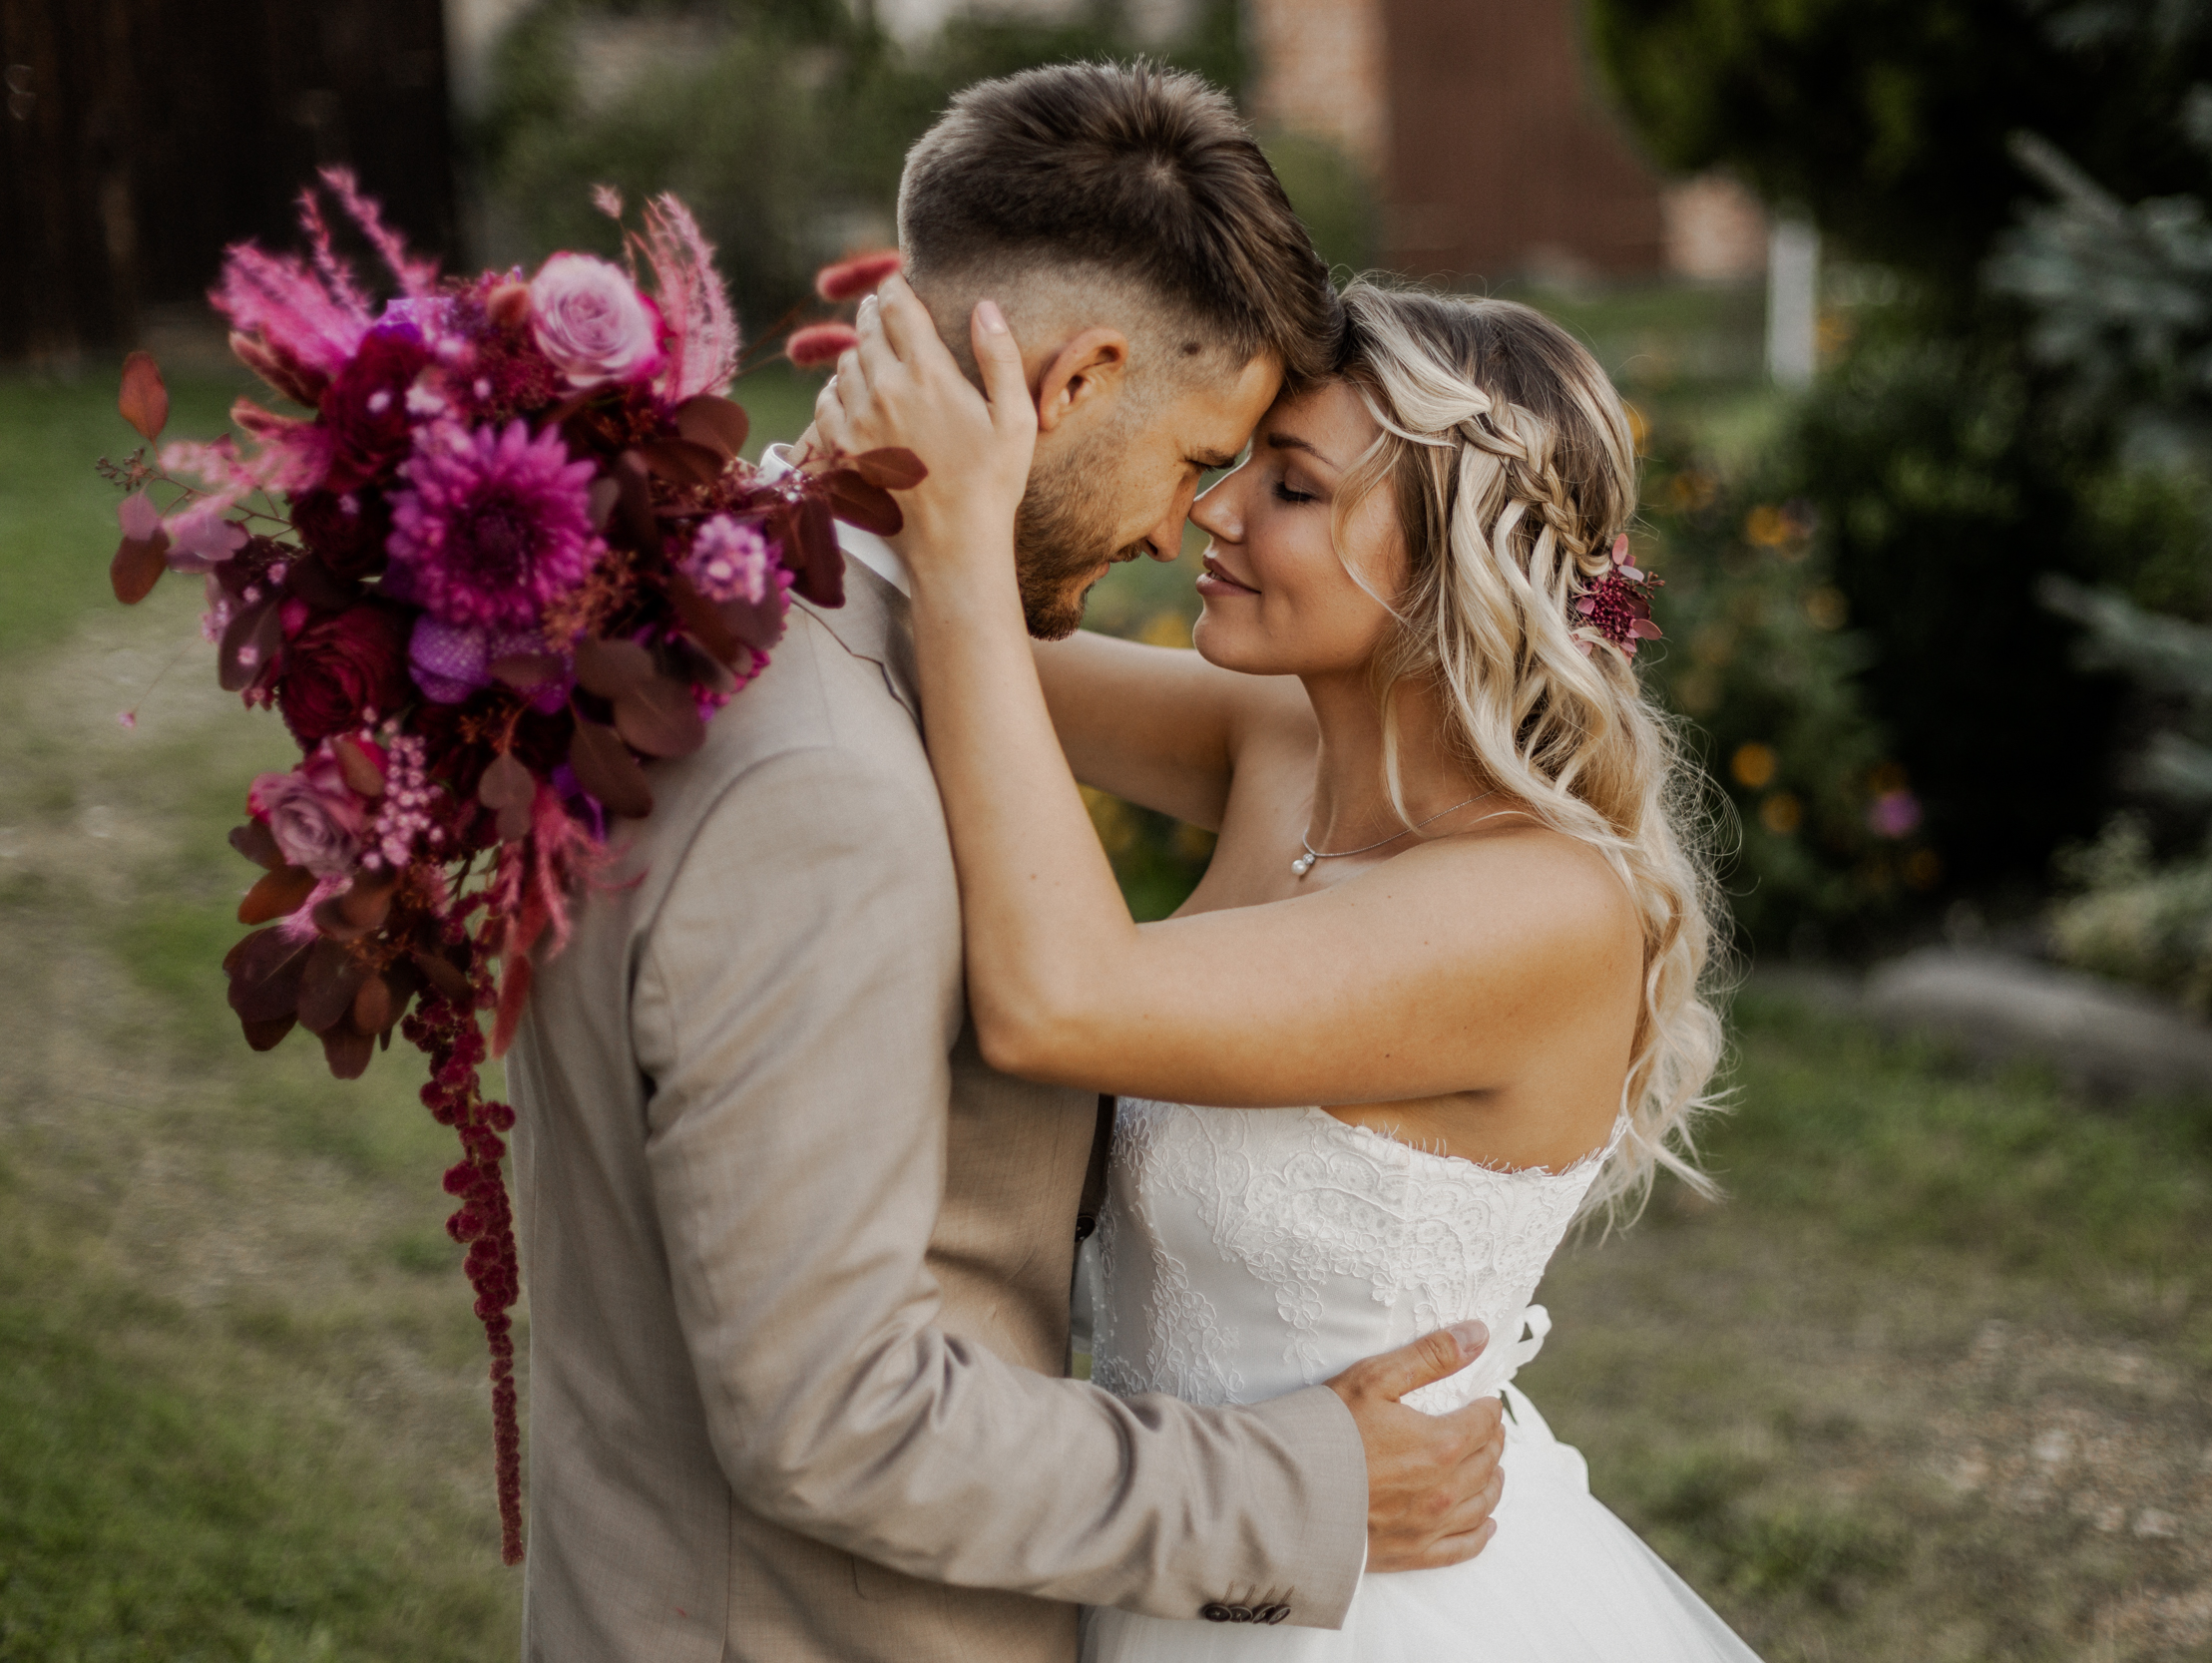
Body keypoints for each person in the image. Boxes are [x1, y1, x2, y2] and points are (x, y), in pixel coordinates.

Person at [508, 64, 1506, 1662]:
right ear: (1079, 379)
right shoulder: (822, 789)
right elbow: (833, 1416)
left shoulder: (717, 617)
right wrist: (1305, 1486)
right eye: (1199, 460)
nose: (1192, 528)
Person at [812, 269, 1765, 1660]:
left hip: (1376, 1607)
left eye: (1296, 489)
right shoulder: (1285, 745)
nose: (1214, 509)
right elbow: (912, 646)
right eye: (1239, 464)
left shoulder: (1539, 909)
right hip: (1182, 1550)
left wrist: (962, 539)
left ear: (1454, 555)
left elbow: (1055, 999)